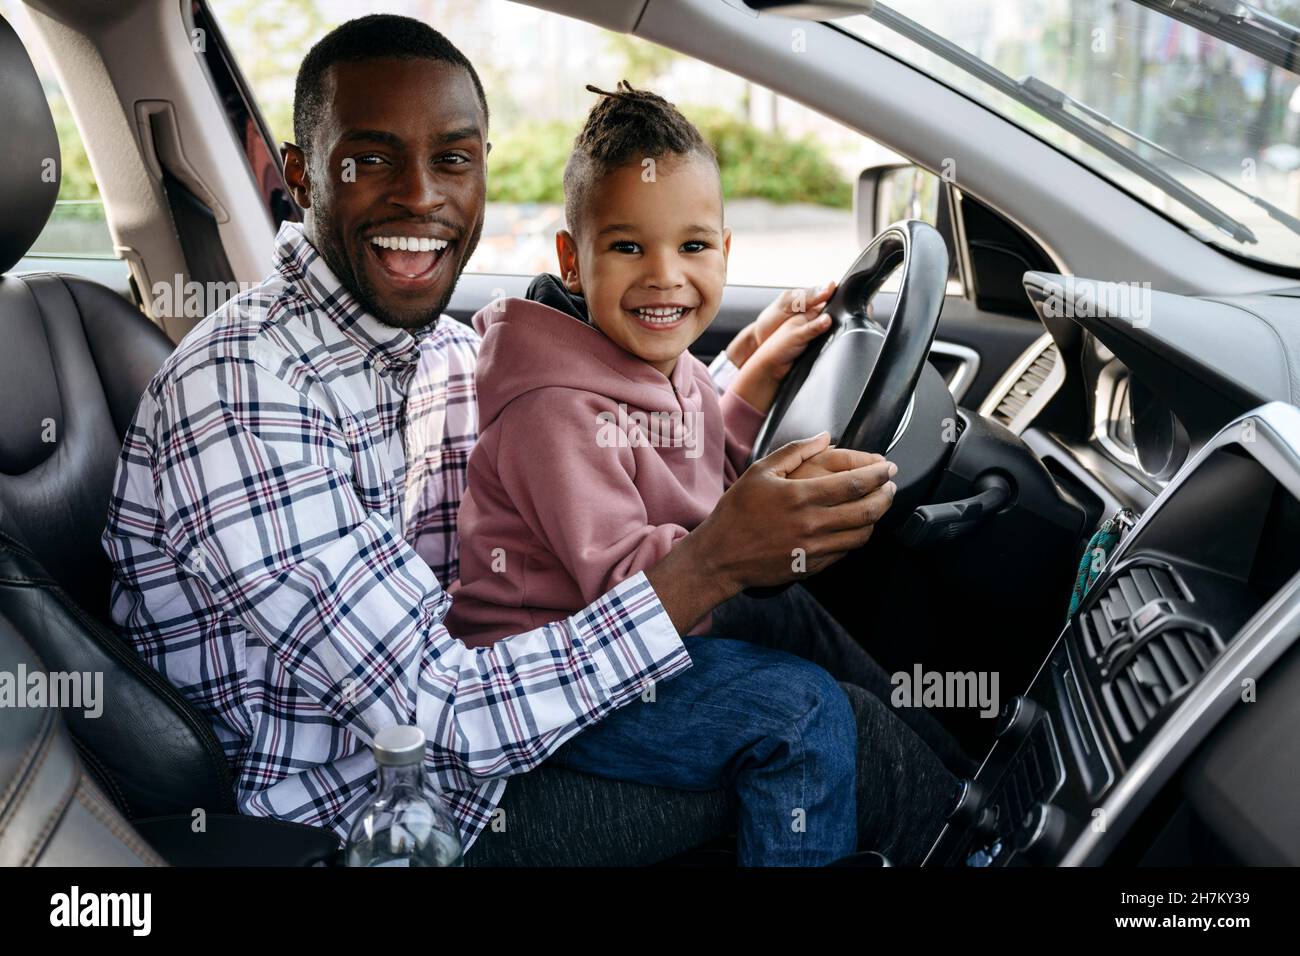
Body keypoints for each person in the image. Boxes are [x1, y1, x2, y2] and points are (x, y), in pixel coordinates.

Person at [102, 14, 959, 866]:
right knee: (822, 728)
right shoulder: (243, 394)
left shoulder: (430, 347)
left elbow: (598, 450)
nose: (420, 195)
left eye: (453, 159)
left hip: (495, 727)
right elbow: (433, 719)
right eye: (371, 160)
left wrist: (741, 373)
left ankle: (984, 795)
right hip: (383, 814)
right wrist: (719, 561)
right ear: (301, 175)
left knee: (800, 640)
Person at [446, 82, 841, 645]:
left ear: (725, 252)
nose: (664, 275)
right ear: (572, 261)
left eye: (693, 247)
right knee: (825, 704)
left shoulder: (681, 370)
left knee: (807, 624)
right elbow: (624, 597)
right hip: (560, 673)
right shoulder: (552, 412)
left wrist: (762, 367)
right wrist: (740, 548)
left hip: (664, 625)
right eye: (628, 247)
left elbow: (711, 486)